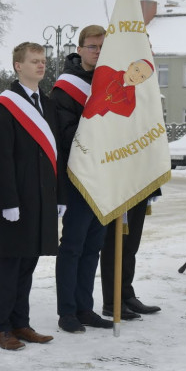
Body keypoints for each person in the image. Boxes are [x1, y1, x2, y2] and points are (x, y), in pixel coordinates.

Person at [0, 42, 61, 351]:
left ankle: (21, 322)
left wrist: (59, 196)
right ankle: (1, 327)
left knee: (29, 262)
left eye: (43, 60)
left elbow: (56, 154)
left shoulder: (47, 102)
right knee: (10, 264)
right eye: (34, 61)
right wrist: (8, 202)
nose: (41, 66)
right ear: (18, 66)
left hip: (41, 197)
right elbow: (1, 158)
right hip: (16, 200)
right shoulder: (6, 105)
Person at [52, 25, 120, 333]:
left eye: (103, 47)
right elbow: (64, 135)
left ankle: (85, 307)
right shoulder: (66, 87)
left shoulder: (111, 83)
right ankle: (67, 311)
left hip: (104, 174)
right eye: (93, 47)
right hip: (78, 175)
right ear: (79, 49)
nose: (98, 52)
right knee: (74, 246)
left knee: (94, 244)